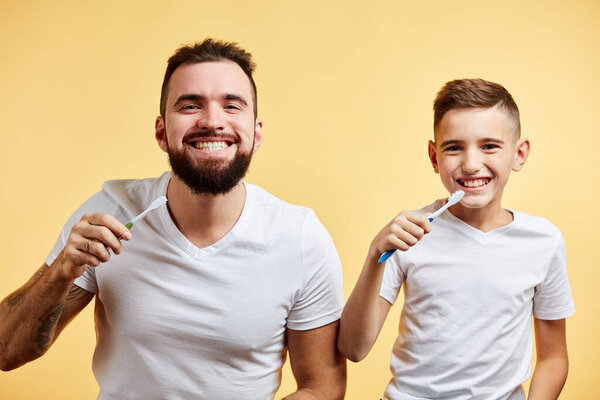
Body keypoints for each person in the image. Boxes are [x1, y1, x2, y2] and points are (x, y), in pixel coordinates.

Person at [0, 38, 346, 400]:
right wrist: (62, 270)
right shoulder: (111, 213)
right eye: (190, 105)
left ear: (256, 133)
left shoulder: (300, 238)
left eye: (232, 105)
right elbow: (7, 353)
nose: (212, 121)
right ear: (162, 133)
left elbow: (323, 386)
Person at [338, 78, 574, 399]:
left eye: (489, 145)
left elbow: (554, 357)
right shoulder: (409, 234)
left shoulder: (543, 241)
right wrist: (374, 255)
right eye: (454, 147)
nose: (471, 164)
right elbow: (353, 347)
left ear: (519, 154)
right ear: (435, 157)